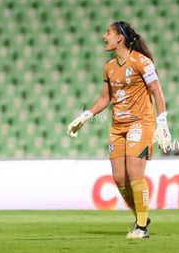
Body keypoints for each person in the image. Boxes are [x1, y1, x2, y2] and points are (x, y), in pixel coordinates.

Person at [67, 21, 171, 239]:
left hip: (139, 123)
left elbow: (156, 91)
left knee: (134, 174)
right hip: (117, 127)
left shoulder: (142, 62)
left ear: (119, 38)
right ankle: (142, 216)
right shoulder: (109, 67)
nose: (104, 37)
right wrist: (85, 116)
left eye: (108, 33)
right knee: (120, 180)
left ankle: (141, 228)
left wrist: (162, 122)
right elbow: (105, 98)